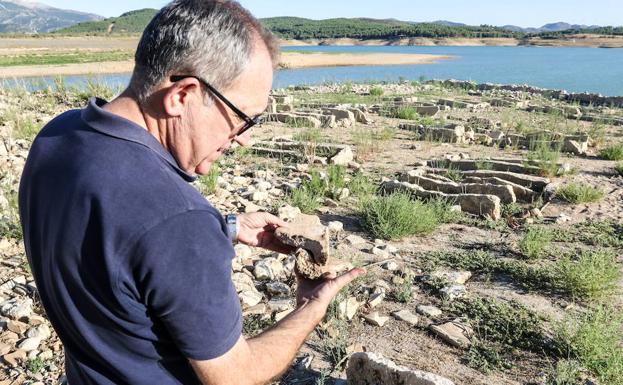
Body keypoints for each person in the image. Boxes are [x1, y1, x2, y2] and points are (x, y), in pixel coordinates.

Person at [18, 1, 364, 384]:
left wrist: (227, 227)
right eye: (243, 118)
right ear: (182, 94)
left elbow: (114, 240)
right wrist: (310, 308)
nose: (244, 140)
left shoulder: (59, 135)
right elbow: (235, 377)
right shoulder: (179, 221)